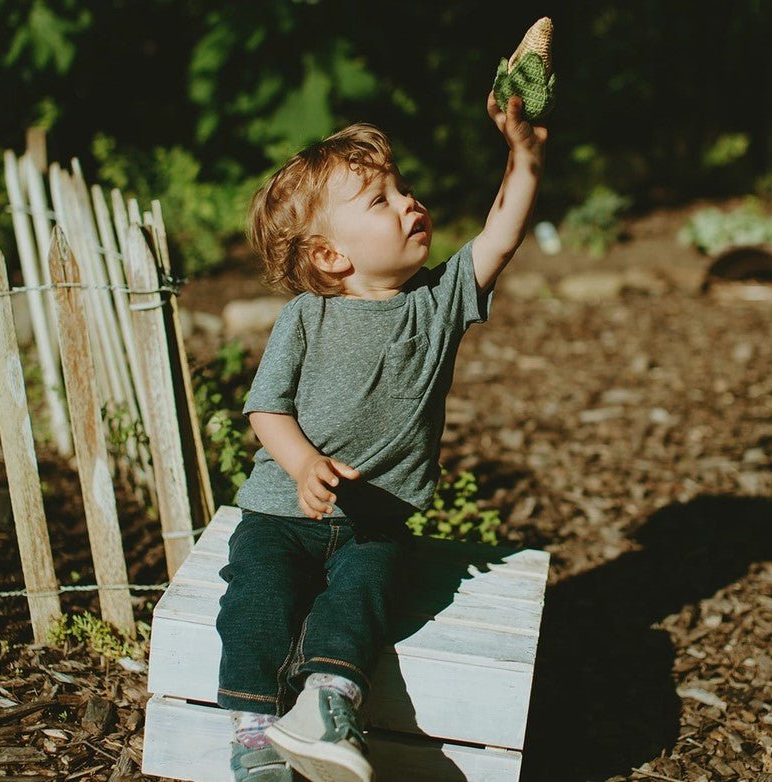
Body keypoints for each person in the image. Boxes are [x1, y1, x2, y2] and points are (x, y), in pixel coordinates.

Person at [215, 89, 548, 782]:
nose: (409, 202)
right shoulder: (305, 318)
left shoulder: (440, 300)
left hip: (375, 519)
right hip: (282, 512)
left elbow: (501, 234)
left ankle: (327, 706)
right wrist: (304, 465)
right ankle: (252, 740)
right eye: (381, 200)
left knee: (362, 598)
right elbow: (265, 410)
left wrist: (522, 158)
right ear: (332, 255)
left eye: (404, 189)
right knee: (255, 599)